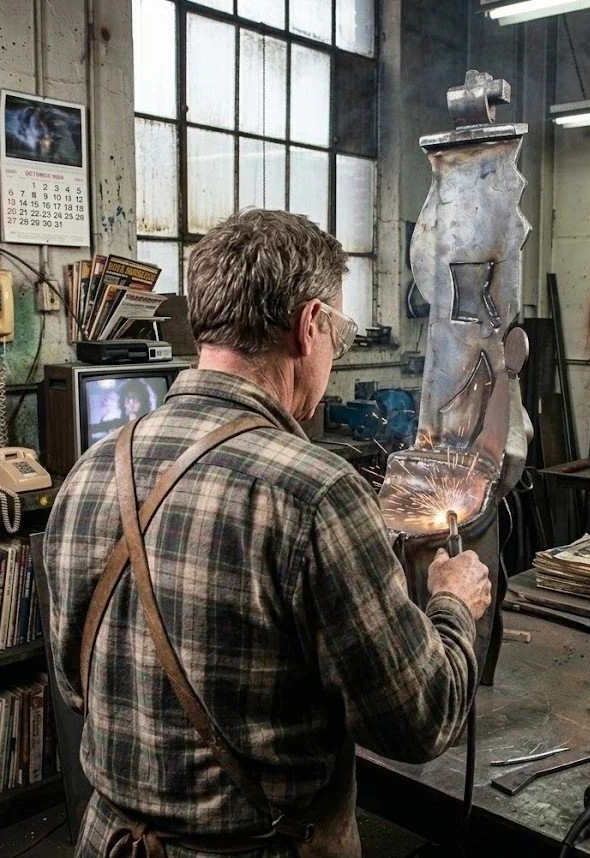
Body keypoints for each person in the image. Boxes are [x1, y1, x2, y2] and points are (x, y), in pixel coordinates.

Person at [43, 209, 491, 858]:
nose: (334, 354)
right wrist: (453, 601)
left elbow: (75, 684)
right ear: (309, 326)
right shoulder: (316, 492)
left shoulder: (88, 474)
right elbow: (420, 721)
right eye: (338, 332)